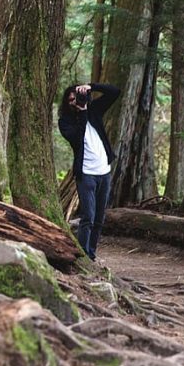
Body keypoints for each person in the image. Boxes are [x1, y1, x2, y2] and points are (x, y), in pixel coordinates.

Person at [58, 82, 120, 261]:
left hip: (104, 172)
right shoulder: (65, 122)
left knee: (99, 218)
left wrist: (91, 86)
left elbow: (115, 91)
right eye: (70, 100)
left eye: (76, 98)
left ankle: (91, 255)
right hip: (86, 174)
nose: (74, 102)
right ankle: (83, 256)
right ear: (66, 103)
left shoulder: (94, 110)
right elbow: (77, 139)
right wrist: (82, 112)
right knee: (88, 217)